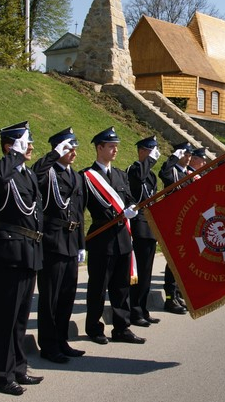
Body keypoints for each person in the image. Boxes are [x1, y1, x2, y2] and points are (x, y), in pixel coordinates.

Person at [0, 121, 44, 396]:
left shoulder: (27, 174)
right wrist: (14, 155)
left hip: (28, 251)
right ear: (10, 147)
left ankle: (18, 367)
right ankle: (1, 375)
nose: (30, 147)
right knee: (4, 318)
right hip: (7, 252)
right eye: (24, 142)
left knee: (20, 317)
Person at [82, 127, 145, 345]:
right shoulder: (87, 177)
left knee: (121, 287)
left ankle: (121, 327)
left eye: (116, 146)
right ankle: (94, 328)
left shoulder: (120, 174)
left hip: (123, 238)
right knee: (98, 288)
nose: (115, 150)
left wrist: (132, 208)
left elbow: (129, 198)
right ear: (99, 148)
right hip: (102, 239)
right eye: (111, 146)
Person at [31, 127, 85, 364]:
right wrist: (53, 155)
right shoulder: (49, 173)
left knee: (66, 296)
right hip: (53, 242)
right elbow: (35, 174)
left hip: (71, 242)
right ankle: (49, 345)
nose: (73, 153)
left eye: (74, 148)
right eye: (68, 148)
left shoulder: (76, 176)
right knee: (50, 298)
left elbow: (79, 212)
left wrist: (81, 244)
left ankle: (62, 340)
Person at [126, 135, 162, 327]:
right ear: (141, 151)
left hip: (150, 227)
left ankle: (143, 309)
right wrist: (150, 161)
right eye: (150, 151)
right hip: (138, 226)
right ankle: (135, 311)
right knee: (138, 272)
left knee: (147, 272)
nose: (153, 155)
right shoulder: (133, 170)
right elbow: (138, 179)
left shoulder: (151, 175)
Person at [158, 141, 194, 315]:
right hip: (174, 222)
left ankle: (178, 294)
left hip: (186, 223)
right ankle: (170, 298)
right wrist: (173, 157)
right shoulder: (172, 171)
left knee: (182, 262)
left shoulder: (188, 174)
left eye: (189, 155)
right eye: (185, 154)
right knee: (173, 261)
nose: (188, 158)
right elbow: (163, 173)